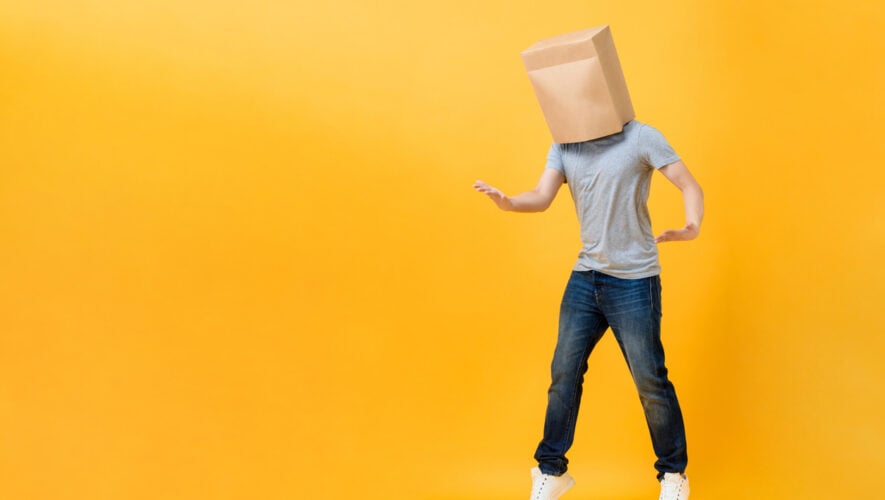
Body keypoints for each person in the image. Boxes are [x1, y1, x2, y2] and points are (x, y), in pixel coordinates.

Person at [473, 120, 703, 500]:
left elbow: (689, 184)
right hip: (586, 276)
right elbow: (542, 196)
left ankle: (673, 474)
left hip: (634, 279)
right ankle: (551, 470)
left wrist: (692, 224)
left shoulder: (640, 137)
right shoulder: (565, 143)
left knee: (650, 380)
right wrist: (509, 202)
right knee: (564, 373)